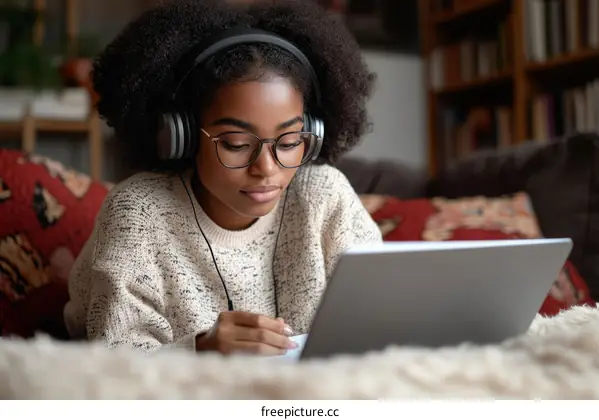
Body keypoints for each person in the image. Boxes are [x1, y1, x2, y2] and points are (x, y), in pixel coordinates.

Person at [63, 0, 383, 356]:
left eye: (290, 141)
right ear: (180, 137)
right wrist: (201, 350)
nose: (267, 168)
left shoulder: (325, 195)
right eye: (235, 143)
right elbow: (112, 361)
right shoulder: (138, 213)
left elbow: (385, 318)